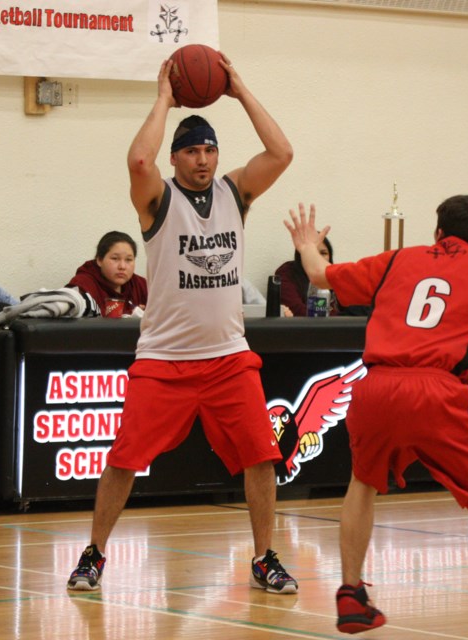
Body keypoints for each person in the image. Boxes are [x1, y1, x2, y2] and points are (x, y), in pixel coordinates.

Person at [67, 53, 297, 594]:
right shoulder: (158, 198)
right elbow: (138, 161)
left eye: (209, 149)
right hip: (165, 360)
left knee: (262, 458)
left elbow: (282, 152)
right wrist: (165, 99)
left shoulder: (234, 192)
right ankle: (95, 553)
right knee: (124, 459)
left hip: (228, 357)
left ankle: (265, 557)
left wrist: (239, 88)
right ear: (176, 157)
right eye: (192, 150)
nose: (202, 158)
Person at [284, 196, 468, 632]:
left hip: (376, 386)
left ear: (438, 231)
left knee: (361, 484)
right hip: (437, 390)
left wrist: (307, 243)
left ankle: (351, 594)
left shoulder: (397, 260)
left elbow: (319, 275)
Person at [66, 230, 148, 317]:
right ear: (99, 260)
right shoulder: (83, 283)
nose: (122, 266)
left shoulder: (140, 284)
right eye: (115, 258)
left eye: (128, 260)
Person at [275, 237, 336, 317]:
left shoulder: (334, 274)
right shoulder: (287, 272)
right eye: (312, 253)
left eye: (323, 253)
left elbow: (345, 311)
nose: (317, 258)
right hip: (300, 327)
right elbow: (296, 309)